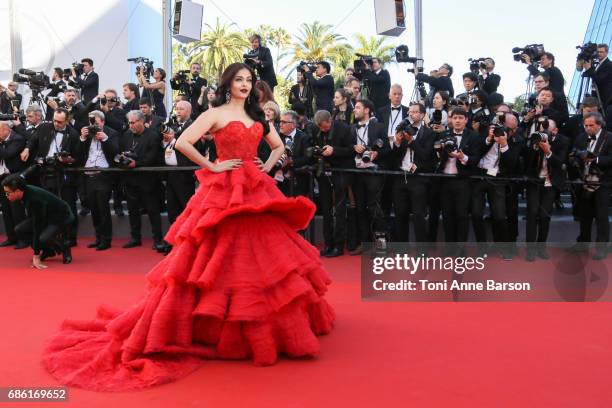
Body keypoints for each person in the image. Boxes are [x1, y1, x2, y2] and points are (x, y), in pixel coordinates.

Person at [41, 63, 335, 391]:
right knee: (214, 256)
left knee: (264, 259)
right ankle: (213, 324)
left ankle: (263, 324)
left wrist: (264, 167)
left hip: (255, 189)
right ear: (227, 84)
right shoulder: (216, 114)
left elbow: (279, 146)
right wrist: (213, 165)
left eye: (249, 80)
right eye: (239, 80)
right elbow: (183, 142)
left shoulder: (258, 115)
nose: (245, 84)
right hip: (223, 190)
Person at [2, 175, 74, 267]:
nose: (6, 195)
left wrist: (36, 256)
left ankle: (64, 246)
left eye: (8, 193)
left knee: (42, 238)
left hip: (61, 217)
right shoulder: (24, 192)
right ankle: (48, 251)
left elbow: (37, 227)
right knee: (19, 230)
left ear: (18, 191)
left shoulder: (34, 199)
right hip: (45, 215)